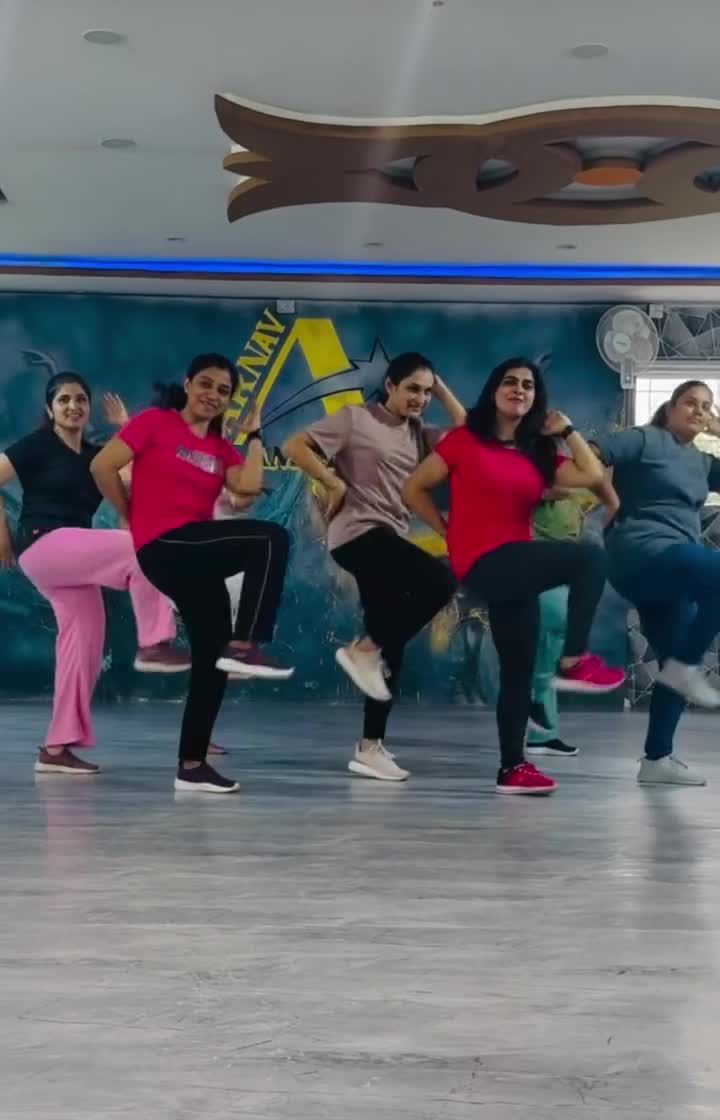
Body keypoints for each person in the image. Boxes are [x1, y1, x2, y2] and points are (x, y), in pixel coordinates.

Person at [403, 357, 625, 796]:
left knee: (518, 672)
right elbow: (413, 489)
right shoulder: (464, 441)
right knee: (590, 559)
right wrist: (445, 530)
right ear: (494, 390)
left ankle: (512, 768)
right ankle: (574, 659)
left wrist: (566, 430)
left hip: (515, 565)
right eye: (510, 381)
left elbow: (592, 475)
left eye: (528, 384)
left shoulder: (538, 453)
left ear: (535, 398)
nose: (519, 389)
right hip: (483, 561)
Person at [91, 353, 293, 794]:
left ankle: (192, 765)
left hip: (196, 553)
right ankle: (246, 644)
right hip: (164, 545)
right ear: (187, 385)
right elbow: (102, 465)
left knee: (210, 659)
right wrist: (129, 514)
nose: (213, 395)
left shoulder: (220, 448)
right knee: (269, 539)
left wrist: (254, 435)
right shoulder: (154, 423)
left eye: (223, 391)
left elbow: (247, 486)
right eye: (206, 384)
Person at [282, 352, 463, 781]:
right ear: (390, 386)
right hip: (357, 534)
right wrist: (332, 481)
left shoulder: (419, 433)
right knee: (440, 580)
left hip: (387, 538)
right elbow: (293, 446)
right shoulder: (355, 419)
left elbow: (468, 431)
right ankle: (363, 649)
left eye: (426, 392)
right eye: (412, 389)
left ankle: (370, 747)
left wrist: (440, 388)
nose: (420, 398)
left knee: (390, 648)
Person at [0, 372, 188, 776]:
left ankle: (56, 748)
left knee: (82, 647)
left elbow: (140, 481)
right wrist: (2, 535)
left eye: (80, 400)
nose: (73, 406)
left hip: (73, 560)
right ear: (50, 409)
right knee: (140, 549)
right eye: (64, 400)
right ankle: (154, 643)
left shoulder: (95, 458)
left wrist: (126, 428)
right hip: (43, 545)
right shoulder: (37, 445)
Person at [594, 379, 720, 786]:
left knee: (672, 658)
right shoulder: (646, 439)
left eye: (707, 406)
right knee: (684, 660)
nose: (699, 411)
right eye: (690, 402)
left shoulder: (702, 463)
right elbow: (595, 451)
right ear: (670, 408)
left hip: (673, 567)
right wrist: (603, 496)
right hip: (640, 552)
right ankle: (686, 669)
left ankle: (657, 759)